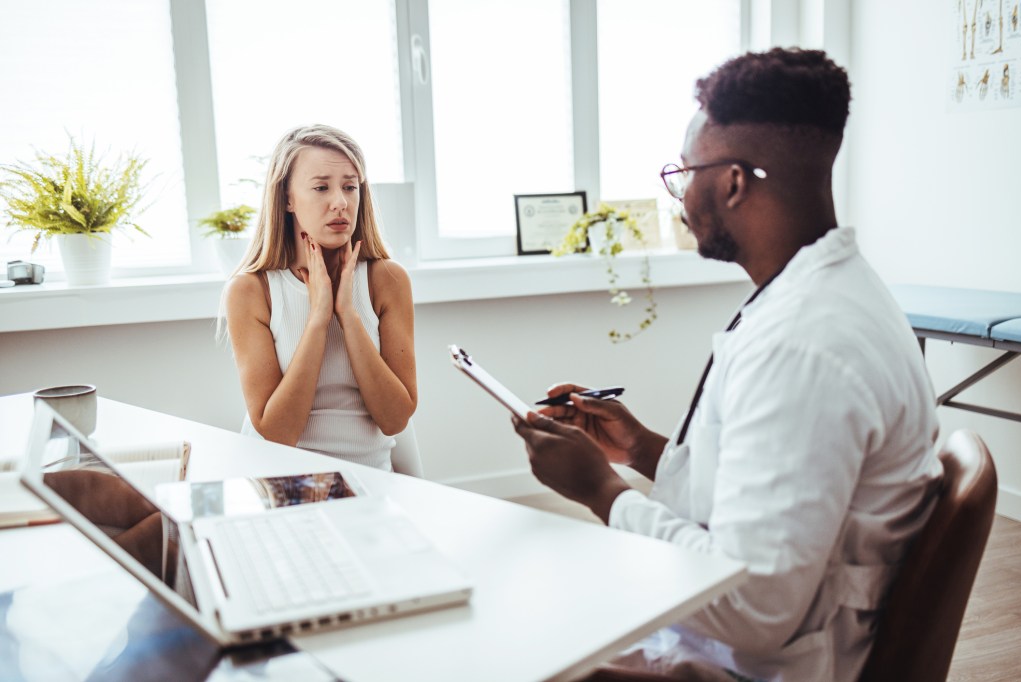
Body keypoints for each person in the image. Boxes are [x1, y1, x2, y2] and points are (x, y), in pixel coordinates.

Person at [512, 48, 942, 681]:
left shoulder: (805, 346)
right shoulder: (823, 291)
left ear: (733, 182)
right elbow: (763, 490)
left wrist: (601, 492)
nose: (681, 193)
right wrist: (643, 450)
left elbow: (752, 607)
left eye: (684, 173)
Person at [224, 124, 416, 471]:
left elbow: (395, 420)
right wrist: (318, 319)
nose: (340, 202)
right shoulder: (250, 290)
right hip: (282, 478)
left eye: (350, 187)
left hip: (370, 477)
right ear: (287, 198)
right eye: (321, 187)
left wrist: (348, 314)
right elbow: (278, 432)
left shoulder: (387, 280)